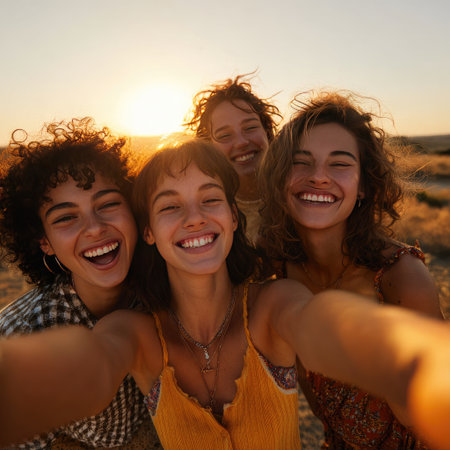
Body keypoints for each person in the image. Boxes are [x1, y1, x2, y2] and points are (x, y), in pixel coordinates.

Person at [0, 140, 446, 450]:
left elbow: (327, 327)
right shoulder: (135, 331)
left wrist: (416, 359)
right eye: (171, 206)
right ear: (150, 231)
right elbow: (90, 365)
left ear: (234, 217)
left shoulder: (274, 305)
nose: (194, 218)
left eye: (210, 199)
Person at [258, 90, 443, 448]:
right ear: (281, 179)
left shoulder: (399, 277)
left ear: (363, 186)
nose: (319, 177)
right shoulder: (277, 268)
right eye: (301, 162)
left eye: (340, 163)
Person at [0, 118, 150, 448]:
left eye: (109, 204)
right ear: (45, 243)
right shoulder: (30, 333)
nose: (94, 227)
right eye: (66, 217)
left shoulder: (162, 278)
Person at [184, 74, 282, 243]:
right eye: (225, 135)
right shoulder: (204, 214)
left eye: (250, 127)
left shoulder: (296, 194)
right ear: (209, 146)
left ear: (266, 131)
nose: (242, 142)